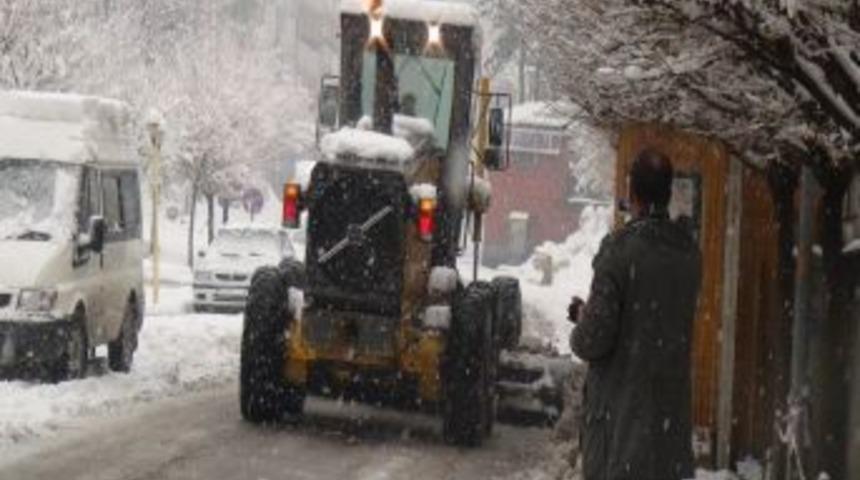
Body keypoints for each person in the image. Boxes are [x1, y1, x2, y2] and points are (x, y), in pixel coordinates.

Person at [569, 148, 702, 480]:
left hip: (622, 431)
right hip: (668, 432)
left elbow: (593, 340)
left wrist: (581, 319)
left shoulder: (618, 251)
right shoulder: (688, 254)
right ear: (669, 193)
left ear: (633, 193)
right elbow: (654, 319)